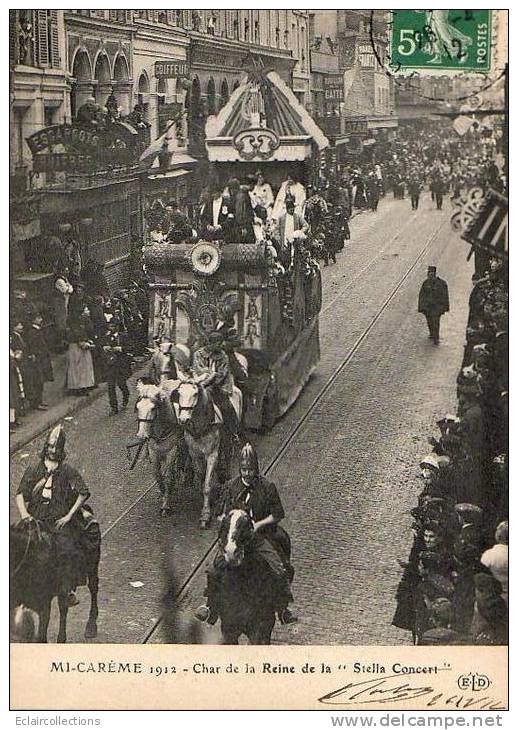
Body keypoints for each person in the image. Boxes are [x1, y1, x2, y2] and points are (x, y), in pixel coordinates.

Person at [195, 442, 297, 625]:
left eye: (250, 470)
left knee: (279, 567)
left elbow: (277, 514)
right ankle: (210, 606)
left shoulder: (267, 487)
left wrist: (258, 524)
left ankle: (283, 609)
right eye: (243, 470)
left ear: (255, 469)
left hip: (258, 537)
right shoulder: (230, 487)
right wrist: (227, 520)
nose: (247, 474)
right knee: (213, 568)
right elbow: (220, 511)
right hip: (236, 538)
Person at [16, 424, 92, 605]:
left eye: (56, 448)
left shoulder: (67, 471)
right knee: (19, 549)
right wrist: (24, 514)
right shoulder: (34, 469)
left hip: (57, 521)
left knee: (67, 550)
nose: (52, 451)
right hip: (36, 520)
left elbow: (83, 492)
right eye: (50, 447)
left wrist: (68, 516)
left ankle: (67, 590)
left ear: (61, 450)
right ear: (45, 447)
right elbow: (21, 494)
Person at [192, 331, 242, 442]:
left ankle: (233, 432)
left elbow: (222, 374)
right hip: (200, 384)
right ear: (211, 343)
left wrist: (211, 379)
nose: (221, 346)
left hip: (219, 386)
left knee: (226, 406)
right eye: (219, 344)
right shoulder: (198, 354)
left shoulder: (223, 356)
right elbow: (198, 370)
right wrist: (207, 376)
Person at [100, 317, 132, 415]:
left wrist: (121, 348)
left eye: (113, 326)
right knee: (110, 386)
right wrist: (104, 348)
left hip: (121, 365)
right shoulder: (105, 337)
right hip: (110, 365)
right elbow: (100, 350)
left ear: (118, 327)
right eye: (110, 326)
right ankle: (114, 407)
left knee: (121, 384)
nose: (111, 328)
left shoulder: (123, 337)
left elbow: (130, 348)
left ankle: (126, 396)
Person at [24, 312, 54, 411]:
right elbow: (32, 346)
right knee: (37, 381)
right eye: (38, 318)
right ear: (34, 320)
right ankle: (36, 403)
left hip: (42, 358)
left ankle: (39, 401)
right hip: (37, 359)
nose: (40, 320)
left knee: (41, 381)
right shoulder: (32, 332)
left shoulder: (38, 330)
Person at [66, 306, 95, 395]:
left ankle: (83, 386)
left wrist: (87, 340)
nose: (88, 311)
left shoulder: (83, 321)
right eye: (86, 310)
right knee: (78, 367)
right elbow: (76, 333)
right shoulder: (75, 323)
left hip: (80, 345)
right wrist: (82, 341)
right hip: (76, 346)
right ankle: (78, 387)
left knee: (83, 367)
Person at [274, 195, 309, 270]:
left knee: (295, 258)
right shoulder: (281, 218)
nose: (292, 210)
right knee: (285, 260)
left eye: (293, 209)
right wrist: (279, 240)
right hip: (284, 242)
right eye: (290, 209)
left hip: (294, 241)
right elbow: (276, 230)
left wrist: (299, 232)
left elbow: (306, 225)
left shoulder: (297, 217)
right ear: (287, 209)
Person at [418, 266, 450, 345]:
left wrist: (445, 307)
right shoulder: (426, 283)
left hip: (437, 307)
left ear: (435, 274)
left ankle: (436, 338)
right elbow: (422, 295)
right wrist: (422, 307)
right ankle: (432, 333)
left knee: (436, 322)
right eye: (429, 274)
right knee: (430, 322)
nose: (430, 275)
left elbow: (445, 296)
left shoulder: (441, 283)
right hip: (428, 308)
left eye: (432, 274)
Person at [53, 266, 74, 351]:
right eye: (66, 270)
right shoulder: (60, 280)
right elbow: (67, 290)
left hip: (65, 301)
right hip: (61, 303)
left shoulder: (65, 279)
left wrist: (69, 287)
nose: (67, 271)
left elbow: (71, 289)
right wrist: (69, 287)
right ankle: (62, 342)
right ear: (61, 271)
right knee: (61, 321)